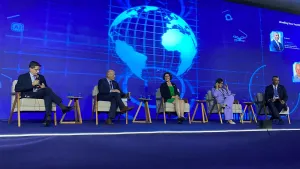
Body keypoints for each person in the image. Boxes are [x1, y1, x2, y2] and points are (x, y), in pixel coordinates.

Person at [15, 61, 73, 127]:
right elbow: (17, 89)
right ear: (30, 69)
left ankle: (48, 118)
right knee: (48, 94)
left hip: (39, 93)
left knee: (47, 94)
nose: (38, 72)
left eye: (39, 70)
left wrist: (44, 87)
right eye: (36, 70)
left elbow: (47, 89)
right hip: (29, 94)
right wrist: (32, 85)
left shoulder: (41, 77)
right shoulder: (22, 77)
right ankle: (59, 109)